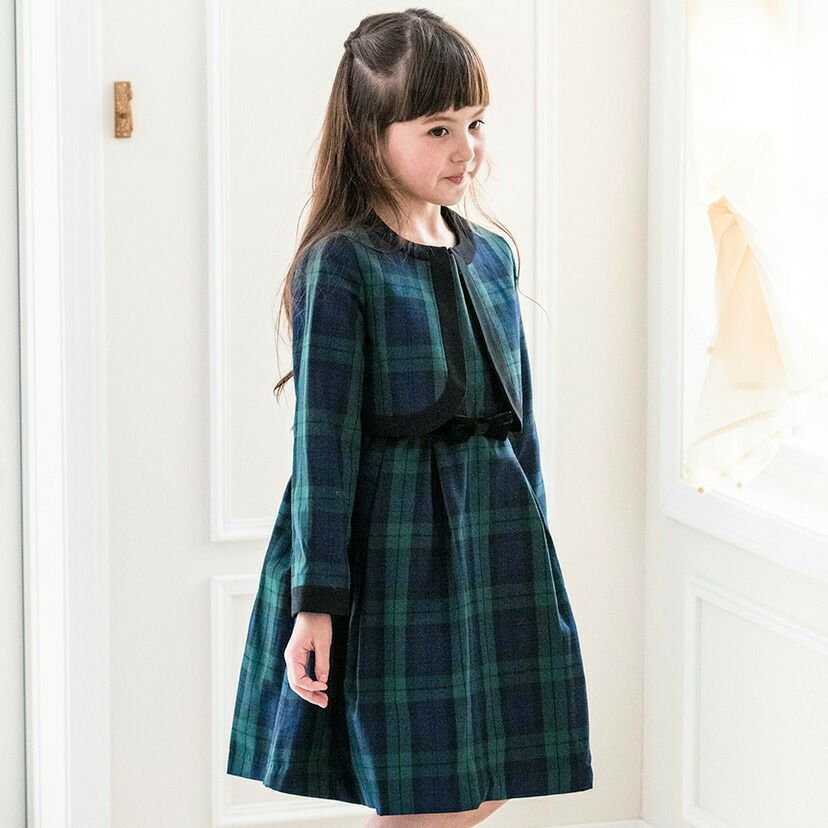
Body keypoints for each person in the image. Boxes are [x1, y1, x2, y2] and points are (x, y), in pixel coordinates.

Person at [226, 8, 593, 825]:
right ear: (370, 134)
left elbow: (522, 419)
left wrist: (536, 541)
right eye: (437, 129)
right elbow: (322, 446)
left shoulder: (491, 254)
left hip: (496, 542)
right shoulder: (342, 264)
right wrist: (315, 600)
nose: (466, 149)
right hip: (396, 551)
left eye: (475, 123)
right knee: (420, 784)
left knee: (501, 770)